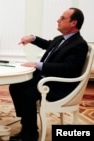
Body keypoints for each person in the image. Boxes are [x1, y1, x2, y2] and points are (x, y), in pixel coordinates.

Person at [9, 7, 88, 141]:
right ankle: (27, 122)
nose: (58, 20)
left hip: (59, 85)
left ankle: (30, 135)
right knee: (15, 86)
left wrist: (38, 65)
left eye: (63, 18)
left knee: (27, 94)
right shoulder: (60, 38)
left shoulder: (79, 44)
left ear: (73, 23)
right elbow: (47, 44)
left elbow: (66, 68)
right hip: (46, 79)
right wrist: (32, 38)